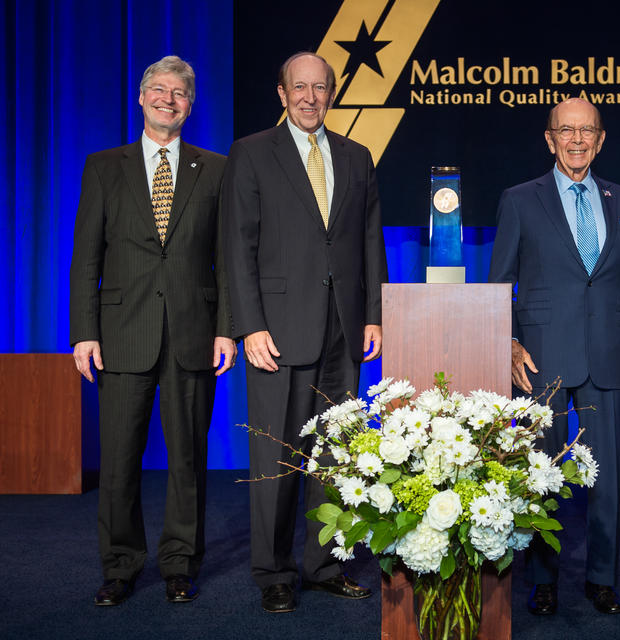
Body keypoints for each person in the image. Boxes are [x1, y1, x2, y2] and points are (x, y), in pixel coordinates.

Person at [222, 52, 388, 613]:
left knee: (336, 456)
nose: (309, 97)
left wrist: (374, 314)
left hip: (343, 329)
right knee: (276, 457)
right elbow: (236, 249)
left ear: (332, 93)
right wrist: (250, 326)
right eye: (300, 87)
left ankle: (323, 565)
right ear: (281, 92)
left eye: (320, 87)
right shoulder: (250, 153)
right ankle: (273, 571)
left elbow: (369, 242)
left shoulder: (357, 155)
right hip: (278, 332)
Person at [70, 55, 236, 606]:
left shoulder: (214, 168)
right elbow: (85, 259)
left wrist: (226, 329)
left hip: (194, 331)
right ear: (141, 98)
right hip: (120, 333)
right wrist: (83, 332)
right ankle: (119, 566)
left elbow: (227, 258)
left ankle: (179, 564)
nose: (169, 99)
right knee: (118, 459)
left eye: (181, 93)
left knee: (187, 457)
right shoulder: (103, 166)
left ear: (191, 105)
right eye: (159, 90)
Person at [488, 98, 620, 615]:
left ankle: (601, 578)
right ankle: (543, 579)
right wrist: (508, 342)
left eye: (587, 131)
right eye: (566, 130)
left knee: (608, 477)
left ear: (601, 139)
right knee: (541, 474)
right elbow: (500, 283)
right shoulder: (519, 199)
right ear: (549, 138)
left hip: (609, 356)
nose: (577, 139)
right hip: (541, 360)